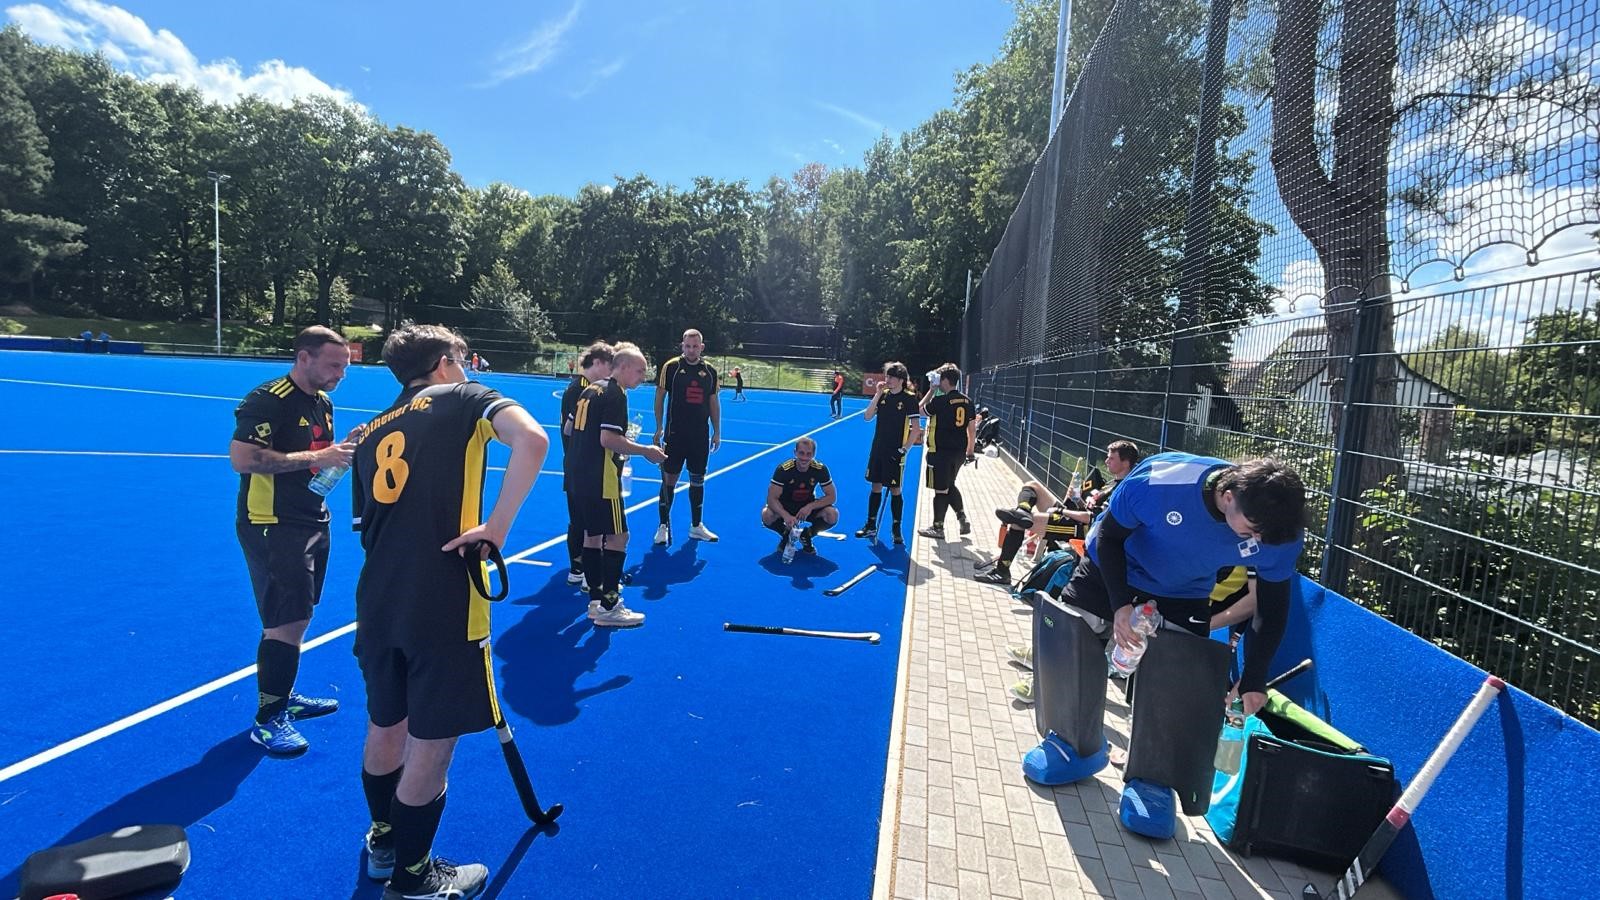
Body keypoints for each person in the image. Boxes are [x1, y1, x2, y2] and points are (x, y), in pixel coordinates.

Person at [350, 324, 549, 899]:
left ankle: (385, 842)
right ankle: (415, 877)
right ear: (443, 363)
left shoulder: (372, 429)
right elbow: (532, 439)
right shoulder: (465, 397)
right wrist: (496, 528)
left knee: (386, 723)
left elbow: (367, 526)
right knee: (434, 739)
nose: (469, 368)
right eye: (463, 359)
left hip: (378, 596)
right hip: (444, 596)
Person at [1019, 453, 1306, 841]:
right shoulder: (1160, 482)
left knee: (1178, 674)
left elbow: (1271, 609)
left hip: (1183, 590)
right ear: (1229, 496)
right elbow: (1110, 537)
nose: (1257, 540)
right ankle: (1073, 745)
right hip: (1112, 567)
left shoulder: (1275, 530)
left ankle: (1152, 779)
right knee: (1072, 637)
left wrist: (1254, 678)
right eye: (1252, 530)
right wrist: (1121, 605)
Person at [229, 326, 356, 755]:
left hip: (311, 519)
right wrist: (320, 455)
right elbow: (242, 459)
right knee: (284, 621)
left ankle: (284, 695)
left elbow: (315, 470)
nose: (341, 374)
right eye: (334, 365)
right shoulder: (269, 399)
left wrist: (340, 455)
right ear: (304, 357)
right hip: (272, 523)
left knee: (300, 614)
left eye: (345, 366)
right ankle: (268, 719)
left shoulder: (323, 403)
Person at [571, 342, 667, 626]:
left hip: (578, 474)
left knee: (592, 536)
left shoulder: (592, 389)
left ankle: (596, 601)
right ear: (622, 367)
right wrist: (645, 450)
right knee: (618, 537)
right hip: (601, 478)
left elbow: (572, 429)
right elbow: (608, 439)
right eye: (639, 371)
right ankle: (610, 605)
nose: (643, 377)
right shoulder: (615, 394)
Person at [976, 440, 1142, 586]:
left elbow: (1092, 518)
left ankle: (1002, 571)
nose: (1106, 461)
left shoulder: (1122, 490)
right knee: (1032, 485)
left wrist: (1063, 510)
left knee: (1018, 522)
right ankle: (1023, 510)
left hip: (1081, 529)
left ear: (1125, 462)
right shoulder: (1112, 482)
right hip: (1074, 514)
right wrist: (1077, 499)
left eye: (1111, 458)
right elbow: (1089, 508)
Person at [652, 328, 722, 545]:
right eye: (688, 346)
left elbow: (713, 401)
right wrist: (659, 427)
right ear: (682, 346)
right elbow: (660, 396)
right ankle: (663, 526)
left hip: (699, 436)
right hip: (675, 435)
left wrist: (717, 431)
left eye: (695, 346)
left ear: (702, 347)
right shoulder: (671, 367)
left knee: (698, 480)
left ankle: (696, 526)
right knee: (669, 479)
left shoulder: (710, 371)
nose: (691, 350)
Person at [561, 342, 615, 586]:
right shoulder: (582, 390)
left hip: (578, 462)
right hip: (583, 463)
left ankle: (581, 568)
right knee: (585, 521)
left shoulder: (583, 387)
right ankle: (581, 569)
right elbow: (573, 429)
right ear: (598, 362)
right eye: (610, 366)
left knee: (583, 519)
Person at [856, 362, 921, 545]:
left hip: (895, 451)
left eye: (891, 377)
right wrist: (877, 394)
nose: (887, 380)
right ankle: (870, 525)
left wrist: (904, 450)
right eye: (887, 376)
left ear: (901, 379)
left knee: (895, 489)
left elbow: (916, 429)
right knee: (875, 486)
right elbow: (867, 416)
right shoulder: (883, 396)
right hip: (878, 448)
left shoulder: (909, 399)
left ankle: (896, 529)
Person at [916, 364, 976, 540]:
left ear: (945, 380)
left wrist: (931, 390)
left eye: (939, 379)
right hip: (959, 452)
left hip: (940, 451)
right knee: (950, 484)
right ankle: (962, 518)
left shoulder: (940, 401)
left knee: (941, 490)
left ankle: (938, 527)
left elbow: (919, 410)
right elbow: (972, 428)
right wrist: (970, 451)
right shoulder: (967, 401)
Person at [762, 437, 839, 555]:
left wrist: (810, 507)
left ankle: (807, 535)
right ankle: (786, 534)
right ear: (795, 452)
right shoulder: (783, 470)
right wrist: (786, 515)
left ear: (814, 454)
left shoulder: (820, 469)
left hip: (806, 506)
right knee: (767, 515)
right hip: (786, 505)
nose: (804, 458)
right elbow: (771, 499)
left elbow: (832, 497)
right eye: (801, 453)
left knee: (832, 514)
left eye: (809, 454)